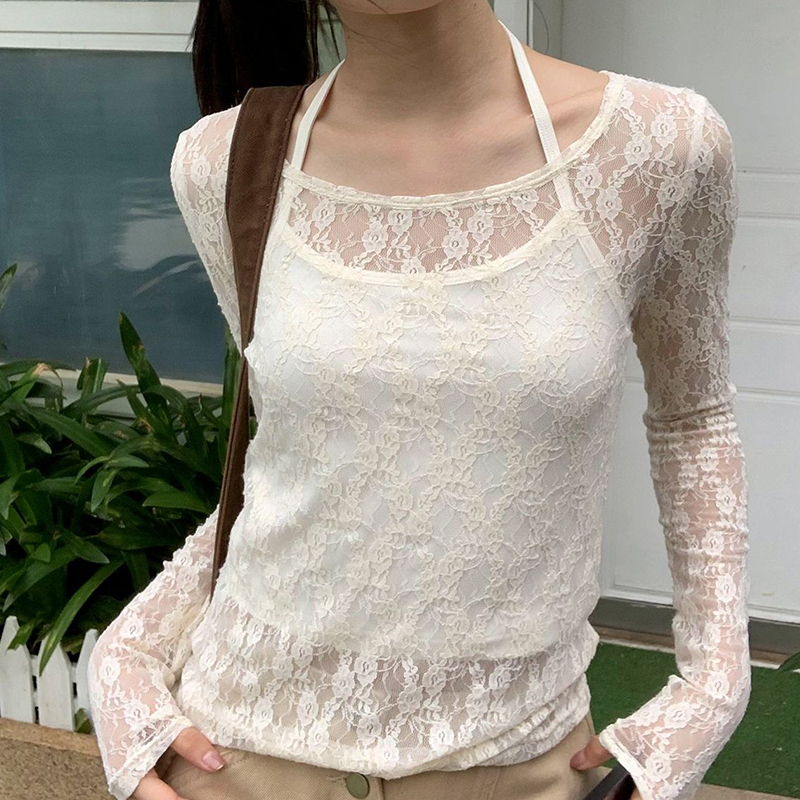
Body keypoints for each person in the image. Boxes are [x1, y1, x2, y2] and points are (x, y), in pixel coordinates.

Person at [87, 1, 752, 800]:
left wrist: (714, 687)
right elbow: (285, 464)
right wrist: (124, 657)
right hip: (238, 760)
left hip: (514, 768)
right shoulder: (222, 161)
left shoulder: (659, 148)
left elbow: (692, 418)